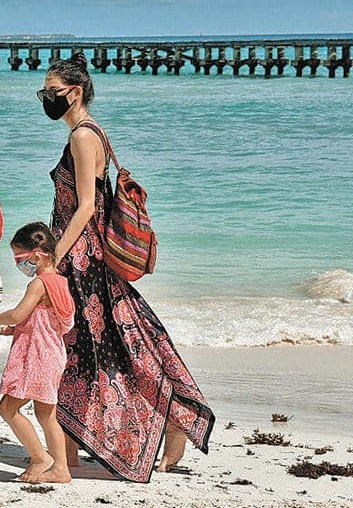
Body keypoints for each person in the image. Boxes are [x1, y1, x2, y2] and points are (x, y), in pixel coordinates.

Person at [40, 52, 215, 483]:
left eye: (51, 92)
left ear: (74, 92)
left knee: (97, 347)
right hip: (89, 257)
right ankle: (77, 439)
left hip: (82, 258)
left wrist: (56, 258)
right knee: (106, 344)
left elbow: (83, 208)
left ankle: (173, 417)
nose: (45, 98)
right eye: (42, 92)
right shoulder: (89, 132)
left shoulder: (83, 136)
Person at [0, 222, 76, 484]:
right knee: (46, 415)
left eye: (20, 258)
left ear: (37, 255)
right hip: (53, 354)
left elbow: (18, 314)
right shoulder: (61, 283)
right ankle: (61, 469)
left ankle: (40, 458)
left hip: (35, 358)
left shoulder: (39, 284)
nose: (17, 264)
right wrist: (12, 331)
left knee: (8, 409)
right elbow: (44, 323)